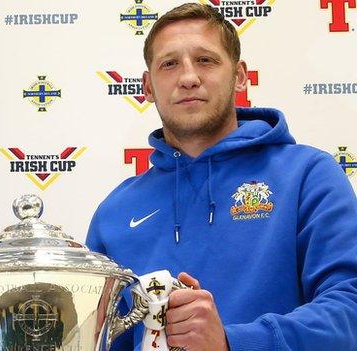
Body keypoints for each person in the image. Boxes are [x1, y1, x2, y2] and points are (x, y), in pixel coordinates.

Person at [87, 3, 357, 351]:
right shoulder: (115, 212)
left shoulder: (308, 176)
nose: (188, 78)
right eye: (169, 64)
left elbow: (349, 309)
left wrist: (234, 342)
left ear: (240, 75)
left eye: (206, 60)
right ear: (148, 86)